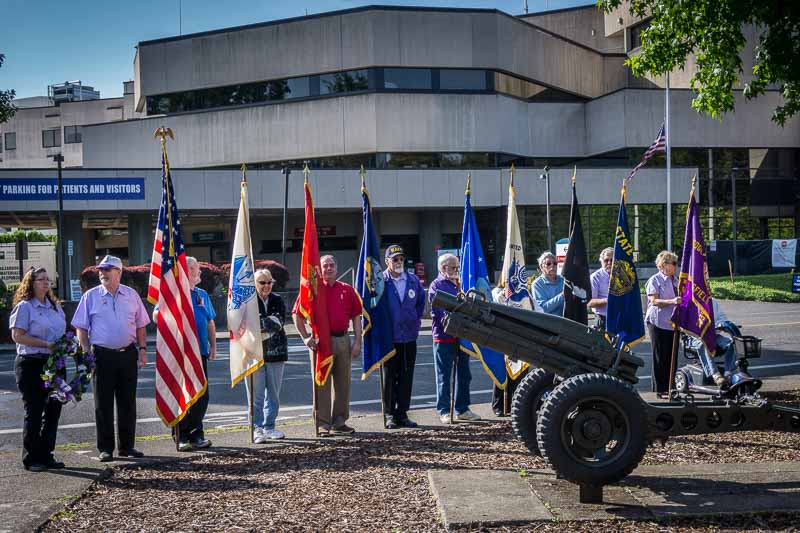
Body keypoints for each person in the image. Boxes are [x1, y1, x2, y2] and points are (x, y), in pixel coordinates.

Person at [72, 255, 150, 462]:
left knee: (128, 403)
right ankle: (105, 448)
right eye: (100, 269)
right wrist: (86, 350)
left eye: (107, 269)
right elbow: (81, 326)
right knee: (103, 404)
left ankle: (127, 447)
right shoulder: (90, 296)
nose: (102, 273)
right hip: (101, 355)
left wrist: (142, 350)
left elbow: (141, 324)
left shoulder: (131, 295)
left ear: (119, 272)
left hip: (128, 354)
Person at [293, 255, 362, 436]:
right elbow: (297, 314)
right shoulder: (312, 289)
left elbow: (356, 317)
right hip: (321, 342)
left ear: (337, 268)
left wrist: (357, 342)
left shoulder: (347, 290)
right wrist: (305, 337)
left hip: (343, 340)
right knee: (321, 383)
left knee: (343, 384)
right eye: (325, 266)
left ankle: (340, 422)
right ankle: (323, 424)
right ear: (319, 269)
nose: (329, 268)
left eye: (332, 265)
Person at [154, 257, 216, 451]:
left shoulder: (202, 294)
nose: (199, 272)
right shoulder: (172, 294)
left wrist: (213, 346)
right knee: (183, 394)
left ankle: (197, 434)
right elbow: (156, 316)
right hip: (180, 353)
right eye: (195, 268)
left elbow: (210, 322)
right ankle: (181, 435)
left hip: (200, 352)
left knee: (201, 395)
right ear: (184, 271)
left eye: (197, 268)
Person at [10, 268, 67, 472]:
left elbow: (62, 332)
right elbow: (18, 336)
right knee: (34, 411)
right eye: (41, 279)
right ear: (31, 283)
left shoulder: (55, 306)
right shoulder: (25, 307)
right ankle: (31, 457)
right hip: (32, 363)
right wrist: (46, 344)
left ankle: (46, 454)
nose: (46, 283)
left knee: (54, 410)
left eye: (47, 279)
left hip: (55, 363)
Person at [429, 253, 480, 424]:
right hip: (444, 338)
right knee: (444, 377)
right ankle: (444, 410)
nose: (457, 270)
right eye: (454, 267)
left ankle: (462, 409)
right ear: (443, 268)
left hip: (462, 337)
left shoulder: (459, 284)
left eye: (457, 267)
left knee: (465, 375)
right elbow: (439, 312)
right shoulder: (436, 286)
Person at [382, 245, 426, 429]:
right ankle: (390, 414)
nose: (399, 262)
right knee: (390, 377)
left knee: (407, 376)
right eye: (395, 259)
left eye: (401, 259)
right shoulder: (380, 280)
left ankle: (403, 413)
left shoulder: (413, 280)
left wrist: (414, 321)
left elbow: (420, 303)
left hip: (408, 337)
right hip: (389, 338)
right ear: (387, 262)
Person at [247, 268, 288, 442]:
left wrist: (259, 322)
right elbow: (247, 325)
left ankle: (269, 426)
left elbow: (278, 323)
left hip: (276, 353)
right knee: (255, 396)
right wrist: (265, 321)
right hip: (253, 353)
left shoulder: (278, 300)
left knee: (273, 395)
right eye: (262, 282)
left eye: (269, 282)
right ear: (254, 283)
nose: (266, 286)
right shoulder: (247, 301)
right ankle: (257, 428)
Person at [645, 250, 681, 394]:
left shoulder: (677, 281)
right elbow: (654, 301)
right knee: (660, 357)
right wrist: (672, 301)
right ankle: (659, 390)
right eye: (673, 263)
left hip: (673, 324)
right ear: (663, 265)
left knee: (672, 357)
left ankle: (670, 388)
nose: (676, 266)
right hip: (658, 323)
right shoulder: (655, 280)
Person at [686, 299, 735, 386]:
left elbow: (722, 318)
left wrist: (718, 326)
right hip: (695, 337)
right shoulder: (689, 302)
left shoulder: (713, 301)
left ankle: (728, 373)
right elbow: (686, 324)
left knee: (732, 343)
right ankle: (715, 375)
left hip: (714, 335)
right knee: (704, 344)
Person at [588, 247, 614, 330]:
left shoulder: (622, 276)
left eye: (612, 260)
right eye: (606, 260)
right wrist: (608, 300)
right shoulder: (595, 277)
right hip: (602, 318)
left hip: (620, 318)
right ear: (601, 261)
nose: (609, 263)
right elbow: (590, 302)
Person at [533, 252, 564, 316]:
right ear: (541, 267)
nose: (552, 265)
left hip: (567, 322)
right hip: (548, 323)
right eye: (548, 264)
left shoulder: (563, 280)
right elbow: (542, 309)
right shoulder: (537, 284)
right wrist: (562, 295)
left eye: (555, 263)